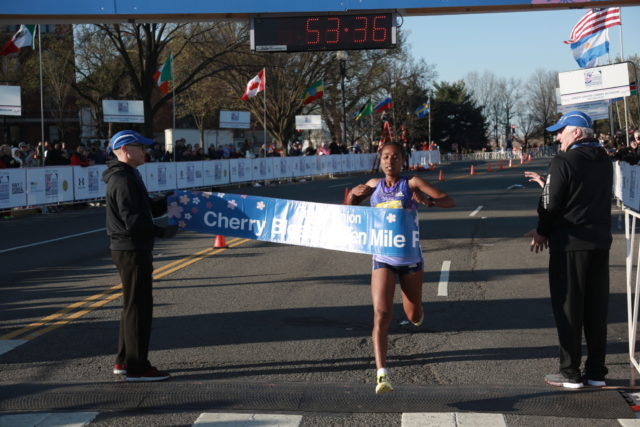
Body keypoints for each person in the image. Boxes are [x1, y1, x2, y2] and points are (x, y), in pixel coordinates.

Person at [346, 141, 455, 394]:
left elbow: (449, 201)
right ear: (380, 160)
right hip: (382, 258)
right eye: (385, 157)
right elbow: (348, 216)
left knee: (412, 315)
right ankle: (382, 374)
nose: (389, 161)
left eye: (395, 157)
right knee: (381, 315)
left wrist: (427, 201)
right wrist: (352, 195)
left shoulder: (412, 183)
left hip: (410, 261)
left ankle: (418, 312)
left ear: (402, 161)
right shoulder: (373, 186)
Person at [524, 111, 612, 390]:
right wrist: (546, 182)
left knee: (569, 308)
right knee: (596, 310)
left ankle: (570, 372)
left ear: (576, 132)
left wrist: (542, 230)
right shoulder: (604, 159)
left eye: (561, 131)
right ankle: (596, 371)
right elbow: (580, 193)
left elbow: (550, 204)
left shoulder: (564, 159)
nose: (557, 137)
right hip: (599, 242)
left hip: (570, 245)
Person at [103, 130, 178, 382]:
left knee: (132, 306)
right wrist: (162, 232)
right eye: (141, 147)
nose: (146, 151)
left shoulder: (128, 175)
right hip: (131, 248)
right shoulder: (122, 180)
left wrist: (170, 200)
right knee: (139, 308)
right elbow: (133, 221)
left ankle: (124, 361)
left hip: (130, 248)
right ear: (125, 150)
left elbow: (145, 208)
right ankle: (137, 367)